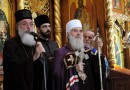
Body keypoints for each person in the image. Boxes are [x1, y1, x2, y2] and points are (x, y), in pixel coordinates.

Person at [53, 19, 106, 90]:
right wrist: (74, 69)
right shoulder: (61, 52)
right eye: (75, 31)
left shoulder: (86, 51)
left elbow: (97, 73)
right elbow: (57, 77)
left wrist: (99, 50)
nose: (78, 33)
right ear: (68, 34)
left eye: (80, 31)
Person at [3, 9, 45, 90]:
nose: (29, 27)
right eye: (24, 24)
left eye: (31, 24)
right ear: (17, 27)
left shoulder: (35, 42)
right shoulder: (10, 44)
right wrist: (33, 57)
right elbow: (12, 67)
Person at [34, 15, 59, 90]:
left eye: (49, 26)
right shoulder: (35, 44)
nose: (48, 29)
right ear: (38, 29)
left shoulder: (54, 43)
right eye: (44, 27)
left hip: (54, 79)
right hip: (41, 80)